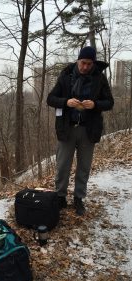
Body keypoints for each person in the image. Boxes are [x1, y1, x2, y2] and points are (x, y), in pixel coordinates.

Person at [47, 46, 114, 216]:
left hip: (88, 129)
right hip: (67, 129)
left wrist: (96, 104)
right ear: (78, 60)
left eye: (89, 64)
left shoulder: (99, 77)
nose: (85, 67)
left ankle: (79, 198)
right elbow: (50, 99)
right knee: (62, 166)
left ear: (93, 63)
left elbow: (110, 102)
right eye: (83, 63)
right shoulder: (66, 75)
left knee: (84, 167)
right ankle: (60, 197)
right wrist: (66, 102)